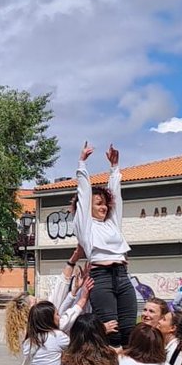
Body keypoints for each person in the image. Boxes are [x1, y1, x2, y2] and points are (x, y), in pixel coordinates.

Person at [75, 142, 136, 347]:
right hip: (101, 277)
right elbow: (84, 196)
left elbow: (116, 197)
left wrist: (114, 168)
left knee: (129, 329)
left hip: (121, 275)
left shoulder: (112, 224)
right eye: (98, 204)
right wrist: (82, 164)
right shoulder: (85, 227)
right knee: (111, 330)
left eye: (104, 203)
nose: (103, 207)